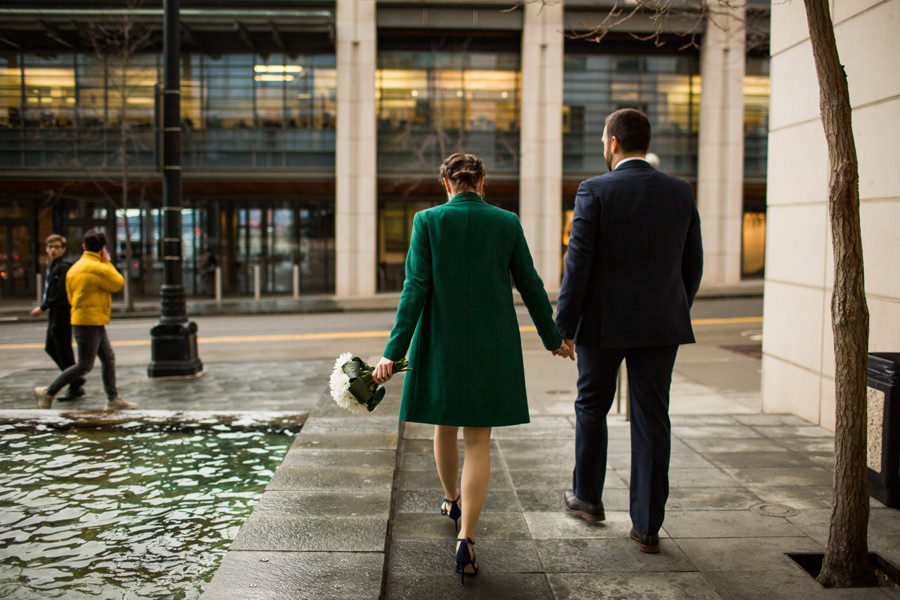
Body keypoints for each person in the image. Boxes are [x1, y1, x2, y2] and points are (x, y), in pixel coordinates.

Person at [372, 152, 572, 582]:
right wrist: (553, 338)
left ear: (446, 185)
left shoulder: (427, 222)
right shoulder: (506, 223)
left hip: (441, 340)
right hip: (491, 344)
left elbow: (415, 290)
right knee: (479, 442)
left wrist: (393, 351)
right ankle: (466, 538)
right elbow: (531, 284)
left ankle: (450, 498)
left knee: (445, 427)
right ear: (483, 184)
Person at [555, 108, 703, 554]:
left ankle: (587, 498)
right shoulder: (680, 191)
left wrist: (562, 326)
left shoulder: (594, 190)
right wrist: (674, 307)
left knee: (592, 406)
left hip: (601, 324)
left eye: (604, 139)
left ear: (613, 143)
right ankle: (648, 525)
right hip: (661, 324)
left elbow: (577, 264)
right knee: (652, 417)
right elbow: (691, 263)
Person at [34, 228, 136, 411]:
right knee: (84, 365)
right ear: (103, 248)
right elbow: (118, 283)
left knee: (108, 358)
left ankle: (113, 398)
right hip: (90, 321)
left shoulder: (75, 268)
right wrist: (108, 262)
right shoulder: (98, 268)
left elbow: (70, 294)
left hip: (86, 319)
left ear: (83, 246)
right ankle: (48, 391)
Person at [29, 234, 86, 402]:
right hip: (56, 313)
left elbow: (60, 293)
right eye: (50, 247)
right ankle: (75, 379)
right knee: (52, 347)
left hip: (62, 313)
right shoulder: (53, 266)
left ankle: (75, 382)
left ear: (63, 249)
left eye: (56, 247)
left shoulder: (62, 267)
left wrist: (43, 307)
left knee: (62, 350)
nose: (53, 250)